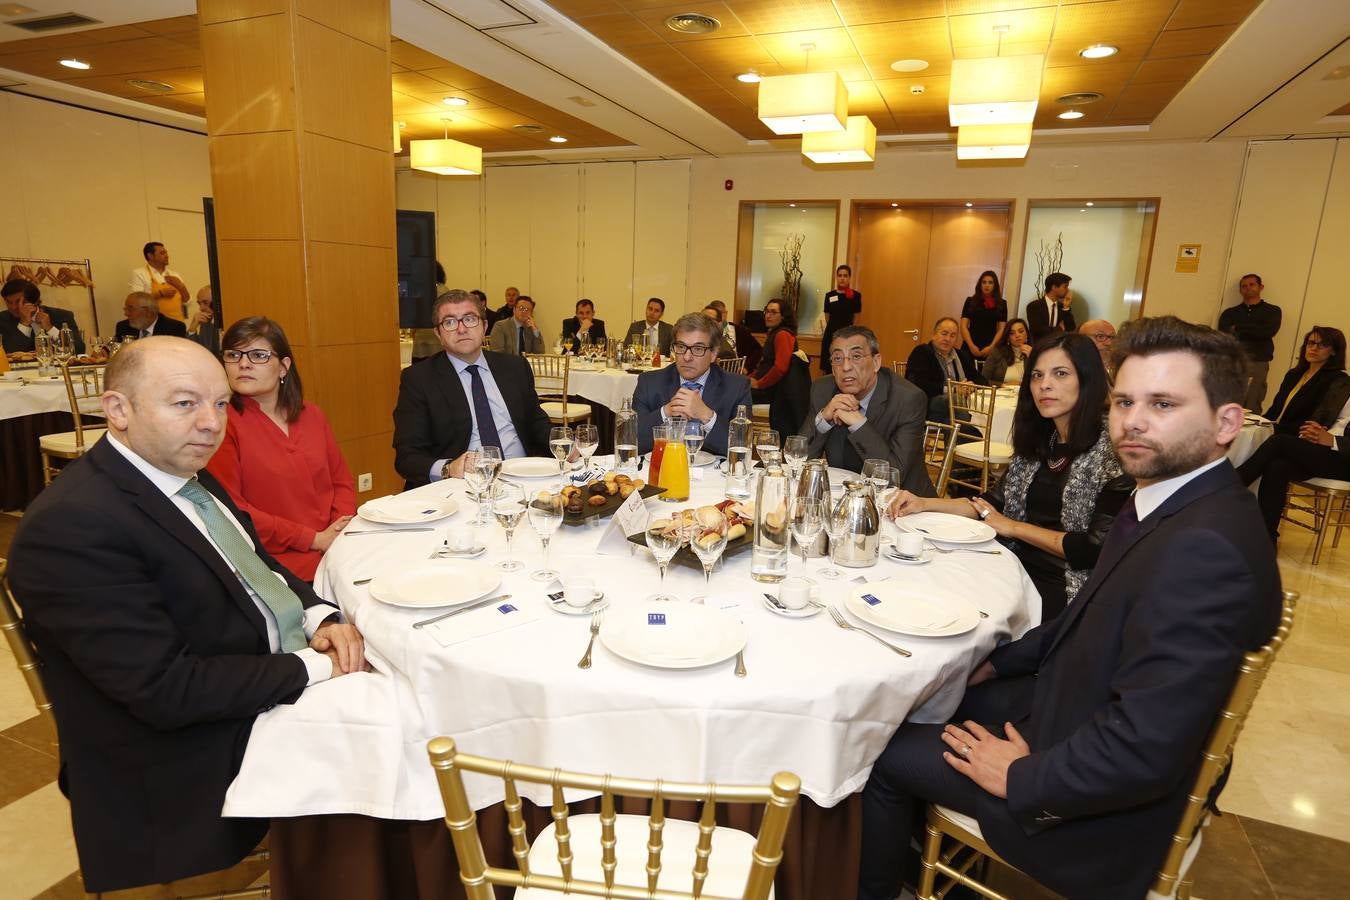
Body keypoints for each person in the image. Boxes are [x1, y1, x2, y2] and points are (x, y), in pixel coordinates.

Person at [860, 316, 1281, 900]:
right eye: (1126, 401)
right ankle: (922, 857)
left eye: (1163, 404)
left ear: (1226, 423)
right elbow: (1085, 624)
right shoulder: (1173, 504)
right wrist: (997, 662)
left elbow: (1145, 748)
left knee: (884, 753)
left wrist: (1021, 776)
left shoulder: (1206, 549)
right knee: (933, 694)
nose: (1133, 421)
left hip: (1099, 818)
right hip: (1073, 709)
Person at [7, 337, 367, 893]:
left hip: (243, 675)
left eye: (221, 403)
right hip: (185, 753)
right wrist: (316, 667)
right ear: (118, 409)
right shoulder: (74, 526)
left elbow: (260, 568)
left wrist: (318, 617)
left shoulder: (181, 476)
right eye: (184, 403)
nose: (211, 423)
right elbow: (166, 690)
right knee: (410, 741)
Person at [890, 332, 1132, 619]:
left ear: (1087, 379)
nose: (1045, 385)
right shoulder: (1042, 440)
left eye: (1061, 373)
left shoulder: (1115, 451)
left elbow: (1092, 549)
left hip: (1065, 588)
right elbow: (989, 504)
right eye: (1037, 375)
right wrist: (923, 503)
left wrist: (1013, 527)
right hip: (1011, 566)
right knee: (924, 588)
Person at [206, 317, 357, 582]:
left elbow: (341, 481)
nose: (243, 363)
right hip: (272, 566)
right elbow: (233, 510)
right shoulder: (221, 423)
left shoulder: (312, 415)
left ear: (284, 367)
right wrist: (312, 539)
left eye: (258, 355)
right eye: (233, 354)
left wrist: (339, 531)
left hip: (337, 550)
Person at [393, 288, 551, 488]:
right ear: (438, 333)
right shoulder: (419, 379)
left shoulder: (514, 368)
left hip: (521, 480)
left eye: (469, 319)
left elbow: (537, 423)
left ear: (484, 326)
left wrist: (564, 445)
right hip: (461, 488)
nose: (461, 329)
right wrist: (448, 468)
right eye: (449, 322)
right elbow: (407, 457)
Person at [800, 325, 934, 496]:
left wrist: (859, 424)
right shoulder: (823, 390)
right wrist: (823, 420)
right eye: (838, 358)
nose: (846, 367)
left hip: (904, 506)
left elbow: (893, 475)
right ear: (832, 367)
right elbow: (797, 458)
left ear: (876, 362)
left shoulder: (907, 399)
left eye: (856, 356)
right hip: (843, 498)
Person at [1237, 376, 1350, 541]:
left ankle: (1229, 485)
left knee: (1280, 442)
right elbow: (1323, 414)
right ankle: (1266, 540)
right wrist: (1315, 430)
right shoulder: (1343, 385)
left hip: (1344, 460)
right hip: (1322, 450)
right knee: (1277, 467)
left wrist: (1332, 440)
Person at [633, 312, 751, 456]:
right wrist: (665, 412)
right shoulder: (649, 383)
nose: (687, 357)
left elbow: (742, 448)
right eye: (681, 347)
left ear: (713, 353)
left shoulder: (737, 387)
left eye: (698, 349)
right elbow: (633, 441)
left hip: (713, 476)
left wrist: (707, 416)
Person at [1262, 326, 1346, 437]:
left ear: (1334, 351)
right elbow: (1274, 410)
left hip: (1297, 436)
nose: (1314, 348)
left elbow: (1318, 420)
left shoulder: (1337, 380)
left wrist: (1272, 429)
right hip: (1274, 429)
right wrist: (1259, 423)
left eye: (1322, 345)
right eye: (1311, 343)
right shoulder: (1293, 374)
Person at [749, 298, 811, 439]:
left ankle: (742, 435)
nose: (768, 315)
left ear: (783, 316)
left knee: (736, 396)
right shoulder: (774, 333)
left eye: (773, 312)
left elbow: (780, 368)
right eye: (767, 311)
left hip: (775, 391)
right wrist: (748, 379)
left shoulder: (783, 334)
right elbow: (764, 365)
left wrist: (759, 384)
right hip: (770, 387)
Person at [1219, 273, 1281, 411]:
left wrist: (1238, 328)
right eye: (1244, 286)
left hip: (1258, 361)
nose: (1248, 288)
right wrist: (1254, 330)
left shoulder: (1272, 311)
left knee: (1253, 401)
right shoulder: (1230, 313)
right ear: (1240, 290)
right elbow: (1225, 335)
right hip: (1233, 360)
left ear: (1261, 287)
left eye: (1252, 284)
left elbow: (1268, 332)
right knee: (1228, 401)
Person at [906, 316, 987, 423]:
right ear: (934, 334)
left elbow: (982, 380)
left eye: (953, 335)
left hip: (956, 406)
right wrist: (953, 389)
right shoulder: (922, 352)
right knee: (955, 401)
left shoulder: (961, 355)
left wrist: (969, 386)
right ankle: (971, 434)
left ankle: (967, 434)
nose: (948, 339)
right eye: (944, 334)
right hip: (927, 403)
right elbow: (919, 384)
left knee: (965, 410)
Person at [0, 278, 86, 354]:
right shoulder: (2, 320)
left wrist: (50, 328)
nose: (13, 307)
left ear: (34, 300)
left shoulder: (62, 316)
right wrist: (24, 323)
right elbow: (6, 354)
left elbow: (79, 350)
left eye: (19, 301)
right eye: (9, 302)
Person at [129, 241, 190, 322]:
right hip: (153, 325)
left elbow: (187, 302)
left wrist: (181, 287)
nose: (167, 256)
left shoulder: (175, 275)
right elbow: (137, 302)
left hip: (177, 324)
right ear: (150, 256)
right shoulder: (140, 274)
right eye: (162, 253)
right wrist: (160, 293)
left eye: (166, 253)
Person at [820, 264, 862, 375]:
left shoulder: (856, 296)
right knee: (829, 368)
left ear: (849, 277)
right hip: (831, 334)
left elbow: (856, 317)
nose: (842, 278)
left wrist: (850, 332)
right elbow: (827, 316)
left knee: (846, 365)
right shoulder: (829, 295)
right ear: (836, 277)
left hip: (848, 335)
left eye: (845, 275)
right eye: (840, 275)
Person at [960, 270, 1008, 360]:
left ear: (995, 285)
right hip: (970, 344)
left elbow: (1002, 329)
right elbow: (963, 326)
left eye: (990, 282)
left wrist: (991, 347)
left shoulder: (1002, 303)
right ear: (980, 285)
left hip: (991, 344)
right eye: (984, 282)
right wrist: (971, 345)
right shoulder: (970, 301)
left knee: (986, 373)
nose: (987, 285)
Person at [703, 300, 761, 373]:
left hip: (733, 372)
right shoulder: (699, 334)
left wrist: (746, 367)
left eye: (721, 313)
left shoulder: (740, 331)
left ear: (726, 314)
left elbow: (757, 350)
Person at [114, 291, 188, 339]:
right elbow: (116, 350)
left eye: (130, 309)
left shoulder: (173, 328)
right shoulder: (123, 327)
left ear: (148, 312)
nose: (126, 313)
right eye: (125, 309)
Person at [1025, 273, 1075, 342]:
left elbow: (1071, 329)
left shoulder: (1062, 307)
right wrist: (1059, 328)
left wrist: (1066, 307)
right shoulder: (1034, 306)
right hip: (1039, 346)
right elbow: (1037, 330)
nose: (1067, 290)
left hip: (1057, 346)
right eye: (1065, 287)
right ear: (1054, 287)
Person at [983, 317, 1031, 385]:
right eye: (1012, 333)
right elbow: (983, 380)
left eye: (1021, 331)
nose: (1017, 335)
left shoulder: (1034, 353)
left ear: (1027, 335)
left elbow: (1039, 380)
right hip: (1001, 393)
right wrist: (1003, 385)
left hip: (1023, 394)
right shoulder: (997, 353)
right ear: (1008, 338)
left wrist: (1033, 358)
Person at [187, 284, 221, 355]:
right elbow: (195, 352)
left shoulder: (227, 320)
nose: (201, 308)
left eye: (205, 302)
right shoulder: (205, 321)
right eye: (199, 303)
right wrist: (192, 329)